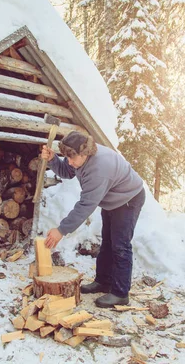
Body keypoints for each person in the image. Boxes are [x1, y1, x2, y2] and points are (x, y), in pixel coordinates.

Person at [41, 131, 146, 308]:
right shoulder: (80, 157)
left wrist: (61, 231)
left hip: (128, 199)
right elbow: (68, 170)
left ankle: (121, 293)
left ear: (85, 154)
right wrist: (53, 160)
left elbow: (86, 205)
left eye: (72, 158)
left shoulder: (99, 170)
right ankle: (103, 281)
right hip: (112, 198)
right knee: (107, 242)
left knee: (120, 245)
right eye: (67, 157)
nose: (70, 162)